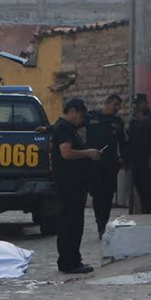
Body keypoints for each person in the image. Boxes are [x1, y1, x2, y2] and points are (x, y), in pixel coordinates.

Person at [51, 98, 103, 274]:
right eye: (81, 116)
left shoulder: (65, 128)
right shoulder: (65, 128)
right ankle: (69, 261)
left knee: (71, 221)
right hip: (69, 183)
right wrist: (88, 153)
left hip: (72, 183)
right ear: (72, 111)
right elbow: (66, 153)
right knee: (71, 223)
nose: (82, 120)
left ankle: (71, 259)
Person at [85, 94, 127, 238]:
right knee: (97, 195)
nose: (117, 108)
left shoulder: (117, 122)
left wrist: (124, 160)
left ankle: (104, 223)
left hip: (110, 164)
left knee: (108, 195)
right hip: (94, 164)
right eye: (115, 105)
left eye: (118, 106)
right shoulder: (92, 117)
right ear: (107, 103)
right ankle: (100, 224)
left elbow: (123, 143)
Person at [127, 93, 151, 215]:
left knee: (150, 189)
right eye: (136, 104)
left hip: (148, 159)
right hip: (137, 159)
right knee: (140, 188)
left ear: (145, 103)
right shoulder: (134, 121)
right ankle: (145, 212)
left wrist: (142, 119)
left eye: (139, 103)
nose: (137, 106)